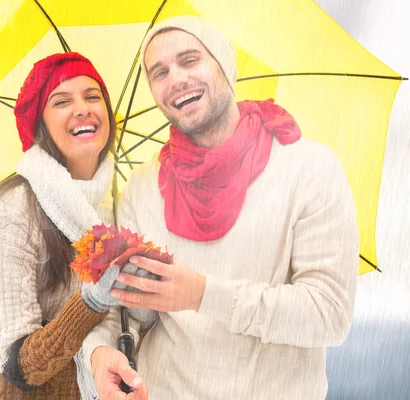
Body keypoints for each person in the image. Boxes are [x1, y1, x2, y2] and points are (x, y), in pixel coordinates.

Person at [82, 16, 359, 400]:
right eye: (159, 72)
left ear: (225, 66)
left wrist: (203, 295)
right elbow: (122, 307)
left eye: (190, 59)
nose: (175, 78)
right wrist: (99, 351)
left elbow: (329, 315)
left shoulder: (310, 169)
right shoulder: (142, 189)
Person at [0, 52, 126, 400]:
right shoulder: (13, 209)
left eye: (92, 97)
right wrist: (93, 300)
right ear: (41, 127)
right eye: (62, 101)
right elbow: (21, 367)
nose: (82, 108)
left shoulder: (115, 208)